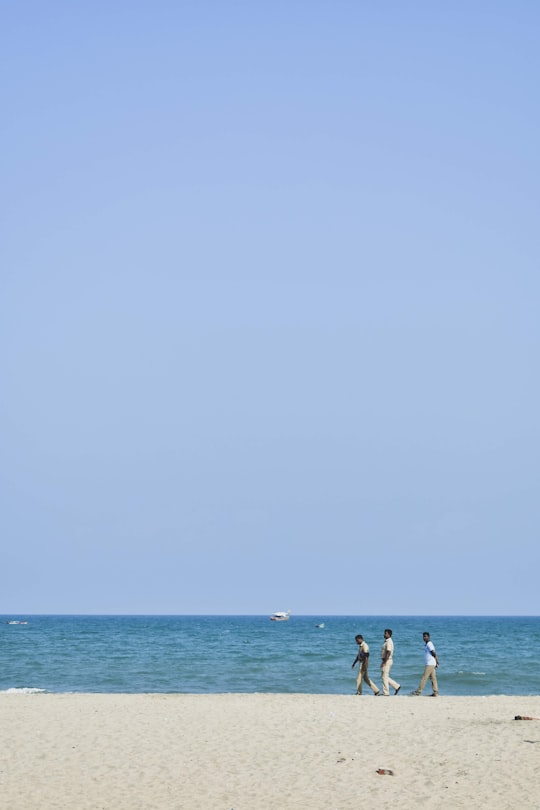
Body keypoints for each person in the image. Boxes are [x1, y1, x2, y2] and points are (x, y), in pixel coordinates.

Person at [411, 632, 439, 696]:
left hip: (430, 664)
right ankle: (435, 692)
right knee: (433, 678)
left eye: (425, 636)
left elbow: (433, 653)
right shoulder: (427, 644)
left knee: (424, 677)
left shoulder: (429, 644)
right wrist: (436, 662)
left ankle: (418, 691)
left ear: (429, 637)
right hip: (431, 663)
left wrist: (437, 661)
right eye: (423, 636)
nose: (424, 638)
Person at [380, 628, 401, 696]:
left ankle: (386, 693)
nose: (384, 634)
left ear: (389, 634)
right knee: (385, 676)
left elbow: (388, 652)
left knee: (384, 677)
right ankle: (397, 686)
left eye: (385, 633)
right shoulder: (387, 641)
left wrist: (384, 662)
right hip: (386, 660)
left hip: (387, 660)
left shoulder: (389, 642)